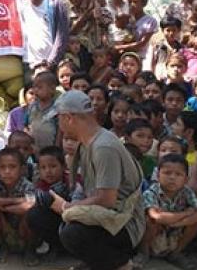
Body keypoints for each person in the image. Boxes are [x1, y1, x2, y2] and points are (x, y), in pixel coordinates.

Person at [28, 90, 145, 270]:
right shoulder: (87, 142)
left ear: (69, 118)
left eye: (59, 119)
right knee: (38, 214)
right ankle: (95, 260)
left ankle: (120, 263)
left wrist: (67, 207)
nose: (59, 124)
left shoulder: (103, 147)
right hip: (100, 213)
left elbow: (107, 200)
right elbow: (85, 187)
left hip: (122, 222)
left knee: (72, 233)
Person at [135, 154, 197, 270]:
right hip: (155, 236)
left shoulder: (186, 192)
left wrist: (178, 223)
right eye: (167, 173)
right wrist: (186, 213)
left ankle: (176, 253)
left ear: (186, 179)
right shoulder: (151, 192)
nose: (172, 178)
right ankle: (144, 253)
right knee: (151, 221)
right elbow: (156, 216)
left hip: (174, 234)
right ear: (158, 175)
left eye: (178, 174)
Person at [0, 148, 38, 265]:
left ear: (22, 169)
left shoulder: (27, 185)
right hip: (5, 230)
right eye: (2, 167)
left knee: (31, 213)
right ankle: (2, 246)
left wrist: (4, 207)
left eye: (12, 167)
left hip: (24, 231)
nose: (7, 171)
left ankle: (30, 250)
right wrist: (15, 200)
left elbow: (30, 204)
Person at [17, 0, 69, 75]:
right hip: (29, 64)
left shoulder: (55, 5)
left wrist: (50, 63)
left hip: (52, 64)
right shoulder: (20, 7)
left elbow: (62, 37)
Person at [115, 0, 158, 68]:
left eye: (135, 2)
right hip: (123, 58)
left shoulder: (150, 21)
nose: (131, 5)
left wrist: (119, 47)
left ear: (144, 3)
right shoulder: (125, 18)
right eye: (129, 2)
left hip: (139, 59)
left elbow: (142, 43)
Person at [27, 71, 58, 151]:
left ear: (52, 89)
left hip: (50, 147)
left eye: (39, 87)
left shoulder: (56, 108)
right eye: (34, 87)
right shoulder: (32, 106)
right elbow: (26, 124)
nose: (35, 90)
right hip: (33, 147)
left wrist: (56, 147)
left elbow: (60, 131)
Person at [149, 17, 183, 81]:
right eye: (168, 30)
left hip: (174, 75)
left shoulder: (181, 48)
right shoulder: (157, 46)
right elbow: (153, 63)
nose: (171, 33)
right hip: (160, 75)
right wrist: (153, 77)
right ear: (162, 30)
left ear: (178, 30)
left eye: (174, 30)